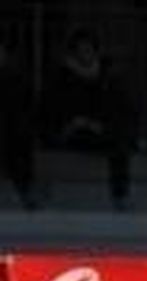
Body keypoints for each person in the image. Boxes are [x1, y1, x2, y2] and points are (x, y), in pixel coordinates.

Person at [41, 29, 135, 211]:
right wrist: (72, 124)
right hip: (73, 131)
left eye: (89, 50)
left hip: (99, 130)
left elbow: (117, 106)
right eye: (81, 50)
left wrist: (99, 124)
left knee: (119, 143)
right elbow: (54, 108)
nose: (85, 54)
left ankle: (120, 195)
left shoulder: (106, 77)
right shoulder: (62, 78)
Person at [0, 40, 38, 210]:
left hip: (11, 129)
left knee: (19, 137)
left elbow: (24, 106)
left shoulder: (15, 79)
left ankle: (24, 190)